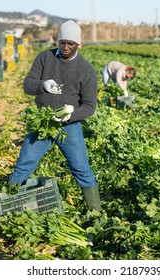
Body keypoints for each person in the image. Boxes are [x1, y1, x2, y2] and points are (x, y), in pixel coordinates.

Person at [9, 20, 101, 212]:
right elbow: (27, 85)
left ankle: (95, 213)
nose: (66, 47)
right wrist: (42, 85)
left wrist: (70, 115)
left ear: (79, 44)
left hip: (68, 127)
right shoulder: (45, 58)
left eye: (71, 43)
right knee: (24, 163)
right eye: (62, 42)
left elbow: (90, 106)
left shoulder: (86, 70)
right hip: (42, 121)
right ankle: (8, 203)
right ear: (57, 41)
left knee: (81, 168)